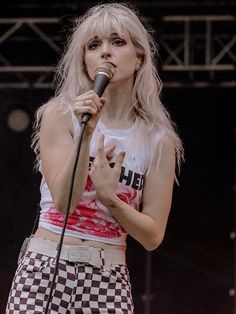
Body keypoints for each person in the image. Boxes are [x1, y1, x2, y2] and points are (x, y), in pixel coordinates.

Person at [6, 3, 183, 313]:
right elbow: (63, 201)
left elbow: (153, 235)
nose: (105, 52)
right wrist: (86, 134)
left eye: (117, 42)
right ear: (85, 61)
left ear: (139, 57)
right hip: (46, 267)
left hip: (108, 275)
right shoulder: (60, 115)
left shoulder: (158, 141)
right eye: (93, 45)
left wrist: (110, 198)